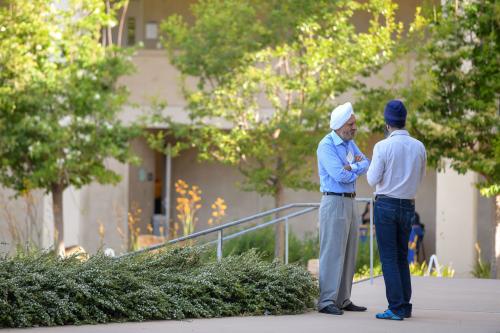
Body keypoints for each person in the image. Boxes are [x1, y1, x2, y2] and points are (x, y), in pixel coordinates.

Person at [367, 100, 426, 321]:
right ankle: (404, 306)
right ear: (404, 120)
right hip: (408, 204)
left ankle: (395, 307)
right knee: (402, 256)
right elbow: (420, 177)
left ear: (386, 123)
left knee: (389, 258)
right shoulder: (419, 146)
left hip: (386, 204)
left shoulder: (382, 147)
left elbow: (373, 179)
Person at [316, 102, 369, 315]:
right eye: (352, 124)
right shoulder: (326, 145)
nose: (355, 127)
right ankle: (326, 301)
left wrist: (353, 166)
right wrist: (353, 169)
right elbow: (340, 175)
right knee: (332, 252)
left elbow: (366, 162)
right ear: (340, 126)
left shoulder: (349, 144)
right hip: (334, 201)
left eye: (354, 123)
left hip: (350, 201)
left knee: (349, 251)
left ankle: (343, 298)